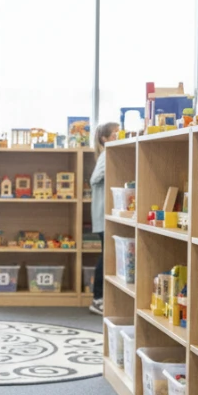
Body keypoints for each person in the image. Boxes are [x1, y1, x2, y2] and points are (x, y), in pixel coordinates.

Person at [89, 122, 121, 315]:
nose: (119, 135)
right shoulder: (106, 155)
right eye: (115, 133)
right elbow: (94, 179)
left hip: (107, 215)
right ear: (105, 139)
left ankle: (101, 298)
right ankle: (98, 298)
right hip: (103, 216)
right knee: (106, 255)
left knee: (108, 255)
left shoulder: (110, 154)